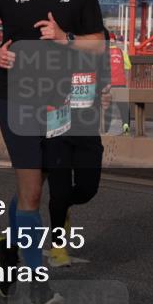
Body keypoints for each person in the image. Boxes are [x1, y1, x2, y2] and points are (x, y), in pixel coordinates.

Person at [0, 0, 105, 304]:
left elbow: (98, 45)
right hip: (17, 99)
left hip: (60, 101)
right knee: (32, 193)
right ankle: (37, 289)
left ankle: (7, 247)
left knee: (39, 182)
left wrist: (65, 38)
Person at [43, 31, 111, 268]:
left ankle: (63, 208)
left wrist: (105, 92)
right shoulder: (52, 34)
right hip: (56, 124)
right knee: (59, 192)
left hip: (87, 127)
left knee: (88, 189)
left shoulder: (99, 34)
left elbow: (104, 69)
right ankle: (58, 247)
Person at [105, 32, 132, 134]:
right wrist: (127, 84)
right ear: (115, 41)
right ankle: (126, 126)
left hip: (107, 86)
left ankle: (105, 129)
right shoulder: (122, 52)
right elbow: (128, 67)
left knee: (107, 108)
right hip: (121, 84)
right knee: (124, 107)